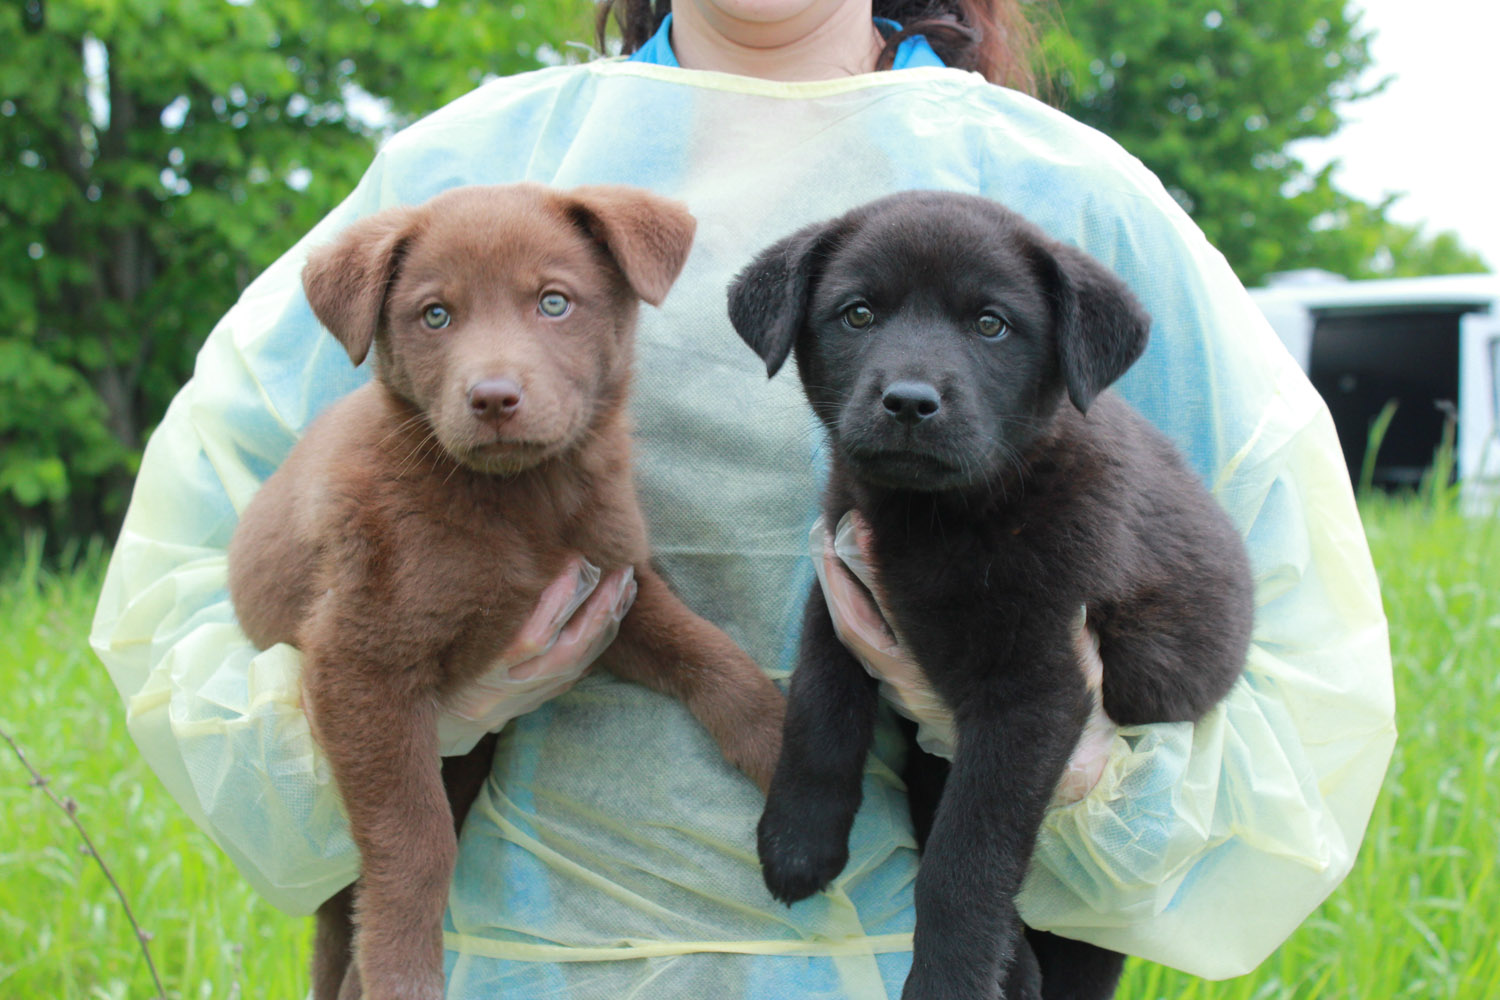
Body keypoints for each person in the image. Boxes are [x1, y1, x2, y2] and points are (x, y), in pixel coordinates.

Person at [90, 0, 1397, 996]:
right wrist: (435, 701)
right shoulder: (486, 166)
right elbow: (191, 581)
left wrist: (1080, 761)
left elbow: (1289, 642)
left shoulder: (1059, 195)